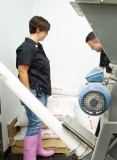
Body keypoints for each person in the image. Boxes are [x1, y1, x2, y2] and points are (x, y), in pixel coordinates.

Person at [16, 16, 54, 160]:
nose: (47, 34)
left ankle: (38, 150)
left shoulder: (37, 47)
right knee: (35, 123)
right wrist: (28, 95)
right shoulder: (26, 47)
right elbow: (22, 71)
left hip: (40, 91)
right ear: (38, 30)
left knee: (37, 122)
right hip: (32, 92)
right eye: (46, 31)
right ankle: (29, 157)